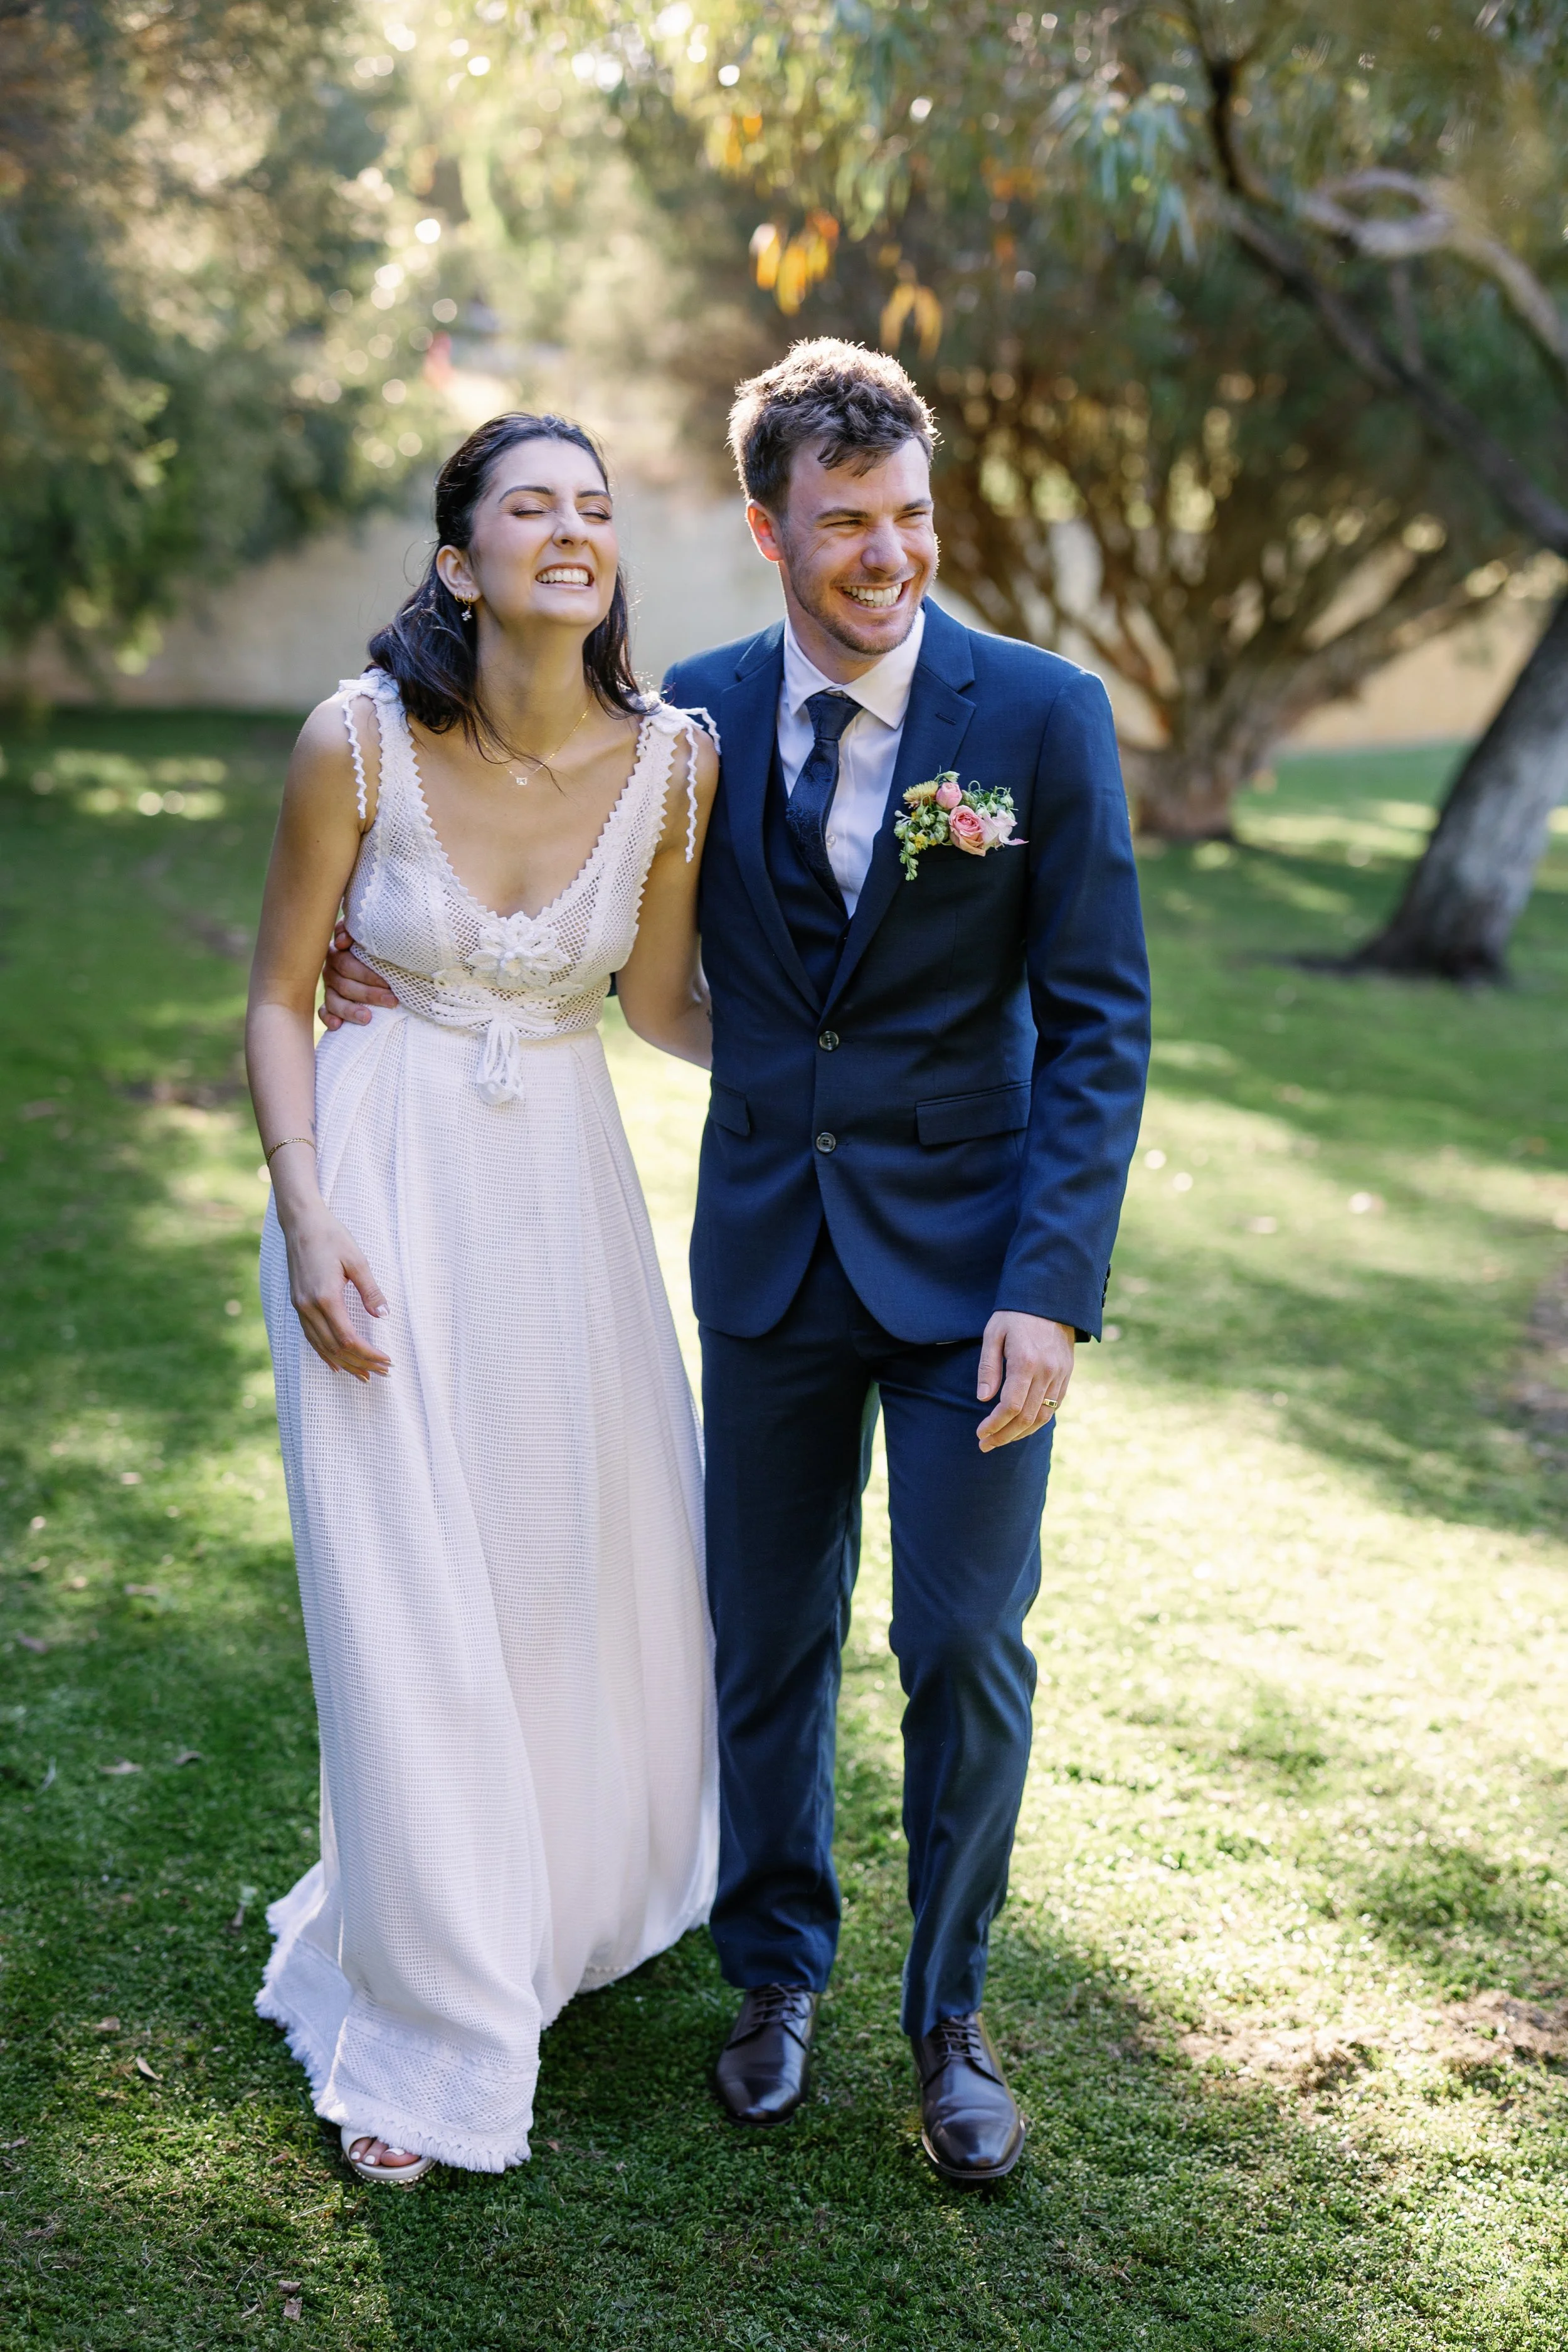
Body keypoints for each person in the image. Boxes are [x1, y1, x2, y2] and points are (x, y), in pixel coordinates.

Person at [325, 340, 1150, 2186]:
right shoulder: (683, 723)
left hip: (978, 1276)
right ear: (769, 528)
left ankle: (948, 2014)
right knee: (761, 1643)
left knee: (956, 1639)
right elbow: (578, 915)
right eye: (845, 521)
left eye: (910, 517)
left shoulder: (1039, 719)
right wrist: (361, 959)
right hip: (769, 1255)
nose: (887, 553)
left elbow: (1099, 1020)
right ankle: (772, 1972)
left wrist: (1054, 1282)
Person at [246, 411, 719, 2185]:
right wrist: (305, 1213)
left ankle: (513, 1899)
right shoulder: (351, 743)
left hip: (563, 1198)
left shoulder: (677, 763)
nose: (570, 527)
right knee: (402, 1588)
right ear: (461, 561)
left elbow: (662, 1005)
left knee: (549, 1564)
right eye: (530, 504)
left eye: (595, 507)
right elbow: (282, 993)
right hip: (375, 1180)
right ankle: (436, 2032)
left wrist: (862, 1049)